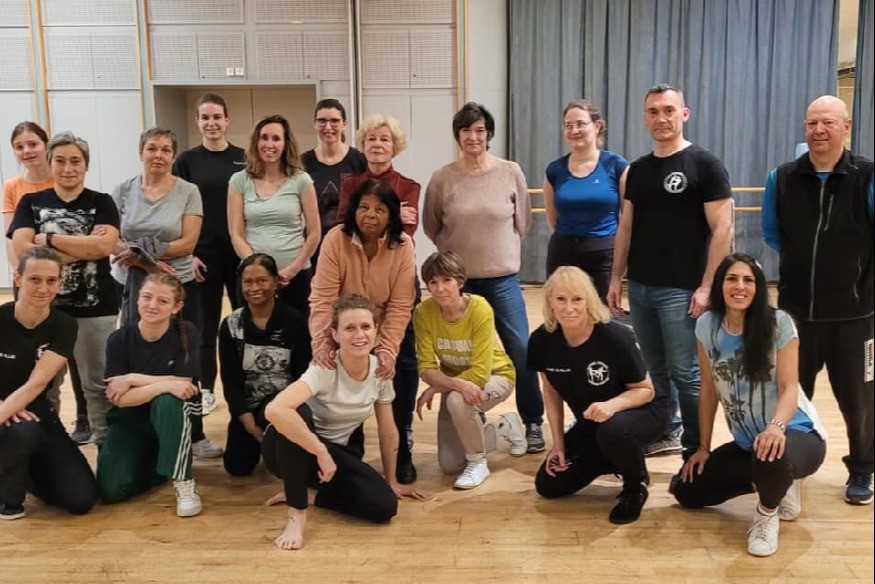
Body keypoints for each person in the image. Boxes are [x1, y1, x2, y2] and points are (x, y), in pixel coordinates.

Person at [607, 83, 734, 458]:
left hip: (682, 289)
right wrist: (615, 278)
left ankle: (697, 447)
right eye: (653, 112)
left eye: (668, 110)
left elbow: (723, 229)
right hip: (641, 287)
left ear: (684, 114)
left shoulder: (705, 165)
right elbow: (626, 227)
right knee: (655, 370)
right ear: (644, 118)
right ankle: (668, 430)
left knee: (685, 372)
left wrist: (707, 286)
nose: (661, 118)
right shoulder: (636, 171)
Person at [673, 254, 827, 557]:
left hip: (796, 433)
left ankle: (767, 514)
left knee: (770, 455)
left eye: (748, 280)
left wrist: (776, 427)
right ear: (720, 285)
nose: (740, 286)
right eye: (732, 279)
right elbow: (709, 389)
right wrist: (703, 448)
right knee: (687, 491)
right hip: (749, 443)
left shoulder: (779, 323)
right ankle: (779, 483)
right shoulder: (707, 325)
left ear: (758, 287)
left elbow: (789, 387)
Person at [762, 95, 874, 505]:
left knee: (860, 401)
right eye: (812, 123)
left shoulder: (868, 176)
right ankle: (788, 467)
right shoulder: (782, 177)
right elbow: (773, 233)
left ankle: (862, 468)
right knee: (790, 396)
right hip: (796, 316)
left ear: (846, 127)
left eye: (828, 122)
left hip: (855, 316)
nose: (819, 130)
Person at [423, 102, 545, 453]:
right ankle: (469, 413)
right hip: (457, 283)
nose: (473, 137)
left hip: (502, 279)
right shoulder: (442, 178)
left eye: (479, 130)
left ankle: (532, 421)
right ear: (457, 136)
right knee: (461, 353)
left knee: (520, 349)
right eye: (466, 130)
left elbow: (523, 222)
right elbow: (432, 226)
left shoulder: (510, 171)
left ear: (489, 134)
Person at [262, 294, 425, 550]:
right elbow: (275, 410)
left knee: (384, 506)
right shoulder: (324, 367)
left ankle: (312, 495)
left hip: (332, 455)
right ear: (335, 335)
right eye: (349, 328)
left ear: (376, 331)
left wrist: (391, 480)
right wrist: (321, 452)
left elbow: (387, 429)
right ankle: (297, 513)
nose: (359, 335)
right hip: (288, 450)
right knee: (296, 412)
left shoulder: (380, 371)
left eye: (365, 327)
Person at [110, 127, 221, 459]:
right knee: (138, 353)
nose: (158, 155)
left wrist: (142, 254)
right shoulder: (122, 190)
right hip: (135, 284)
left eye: (165, 150)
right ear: (140, 152)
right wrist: (144, 262)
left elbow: (187, 242)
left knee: (187, 354)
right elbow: (112, 238)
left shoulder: (188, 191)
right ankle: (142, 431)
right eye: (152, 148)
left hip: (180, 282)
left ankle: (195, 432)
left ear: (173, 156)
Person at [529, 266, 667, 524]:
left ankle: (635, 486)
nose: (569, 307)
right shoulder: (541, 340)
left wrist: (612, 405)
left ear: (589, 301)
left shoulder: (614, 337)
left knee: (612, 430)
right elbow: (551, 393)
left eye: (577, 299)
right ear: (549, 301)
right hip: (594, 420)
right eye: (561, 299)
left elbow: (646, 390)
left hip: (644, 409)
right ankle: (616, 458)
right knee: (549, 484)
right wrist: (558, 445)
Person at [10, 131, 120, 447]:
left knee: (97, 385)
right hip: (45, 312)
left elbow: (104, 246)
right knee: (43, 386)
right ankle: (47, 449)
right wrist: (84, 247)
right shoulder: (31, 202)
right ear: (50, 163)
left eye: (75, 161)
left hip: (96, 308)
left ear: (86, 165)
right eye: (60, 161)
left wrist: (49, 240)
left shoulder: (101, 202)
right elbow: (22, 249)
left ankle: (106, 448)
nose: (68, 168)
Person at [310, 179, 417, 483]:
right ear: (353, 210)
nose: (370, 215)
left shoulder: (403, 245)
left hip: (384, 323)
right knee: (331, 371)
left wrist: (387, 350)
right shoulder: (335, 239)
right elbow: (323, 299)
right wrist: (323, 342)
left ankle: (402, 452)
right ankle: (344, 448)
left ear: (392, 214)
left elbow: (400, 305)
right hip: (344, 324)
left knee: (401, 371)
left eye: (380, 209)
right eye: (364, 208)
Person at [337, 113, 421, 483]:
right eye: (371, 139)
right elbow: (344, 227)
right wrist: (393, 211)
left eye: (384, 139)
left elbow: (404, 233)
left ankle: (403, 445)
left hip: (396, 284)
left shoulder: (409, 185)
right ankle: (351, 445)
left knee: (403, 364)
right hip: (354, 291)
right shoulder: (349, 184)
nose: (377, 145)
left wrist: (390, 218)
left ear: (395, 146)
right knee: (352, 365)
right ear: (362, 144)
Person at [3, 122, 91, 444]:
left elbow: (90, 244)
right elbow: (17, 244)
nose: (27, 151)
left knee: (77, 358)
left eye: (33, 144)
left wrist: (48, 248)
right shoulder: (14, 188)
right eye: (20, 146)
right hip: (32, 281)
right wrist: (36, 268)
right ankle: (42, 420)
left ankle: (84, 419)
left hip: (73, 285)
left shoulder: (65, 178)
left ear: (46, 145)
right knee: (38, 363)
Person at [0, 246, 98, 520]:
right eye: (34, 279)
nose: (43, 288)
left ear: (60, 281)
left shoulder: (64, 325)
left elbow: (38, 382)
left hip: (34, 408)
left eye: (51, 280)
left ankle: (24, 468)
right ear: (18, 278)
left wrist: (8, 409)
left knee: (81, 499)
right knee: (23, 431)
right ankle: (8, 500)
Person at [414, 251, 526, 489]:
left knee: (457, 400)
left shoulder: (479, 308)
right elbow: (425, 367)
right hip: (454, 384)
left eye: (447, 280)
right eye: (433, 282)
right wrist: (448, 384)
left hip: (497, 376)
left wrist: (438, 386)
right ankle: (503, 427)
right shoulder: (423, 312)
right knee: (450, 464)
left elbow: (480, 373)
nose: (440, 289)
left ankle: (478, 462)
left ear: (460, 281)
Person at [96, 273, 203, 517]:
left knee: (168, 400)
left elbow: (184, 386)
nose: (152, 305)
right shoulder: (118, 339)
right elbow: (120, 399)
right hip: (131, 419)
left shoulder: (186, 332)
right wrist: (165, 384)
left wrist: (132, 379)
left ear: (176, 307)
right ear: (137, 299)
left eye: (163, 301)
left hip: (174, 415)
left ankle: (183, 480)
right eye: (146, 297)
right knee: (110, 491)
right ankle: (160, 466)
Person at [173, 93, 246, 417]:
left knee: (243, 322)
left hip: (239, 253)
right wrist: (187, 253)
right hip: (202, 255)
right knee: (204, 326)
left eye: (217, 117)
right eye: (205, 117)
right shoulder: (187, 160)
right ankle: (205, 389)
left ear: (227, 120)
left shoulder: (244, 158)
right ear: (198, 121)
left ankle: (246, 383)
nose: (211, 123)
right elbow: (176, 207)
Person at [218, 253, 311, 476]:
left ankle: (279, 443)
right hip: (247, 407)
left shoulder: (295, 322)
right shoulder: (230, 325)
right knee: (237, 467)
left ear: (276, 282)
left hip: (282, 405)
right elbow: (230, 381)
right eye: (248, 282)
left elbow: (303, 376)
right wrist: (248, 422)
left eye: (262, 280)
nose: (254, 288)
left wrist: (283, 412)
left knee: (282, 465)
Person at [228, 114, 320, 316]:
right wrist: (260, 270)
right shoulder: (239, 181)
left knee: (298, 332)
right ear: (256, 141)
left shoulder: (302, 180)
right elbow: (236, 234)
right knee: (254, 331)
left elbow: (314, 233)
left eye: (276, 138)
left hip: (295, 277)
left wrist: (293, 269)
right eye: (264, 137)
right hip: (254, 278)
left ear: (285, 144)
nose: (269, 144)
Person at [543, 100, 629, 299]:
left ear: (597, 126)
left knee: (603, 313)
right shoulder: (554, 170)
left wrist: (620, 267)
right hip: (563, 255)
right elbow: (553, 221)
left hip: (604, 257)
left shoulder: (616, 165)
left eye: (581, 124)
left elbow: (628, 219)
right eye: (568, 125)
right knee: (563, 312)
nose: (574, 130)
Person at [300, 98, 367, 261]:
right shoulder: (303, 162)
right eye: (322, 121)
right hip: (315, 246)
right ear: (315, 124)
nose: (328, 127)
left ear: (344, 124)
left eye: (334, 121)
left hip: (352, 243)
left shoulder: (359, 160)